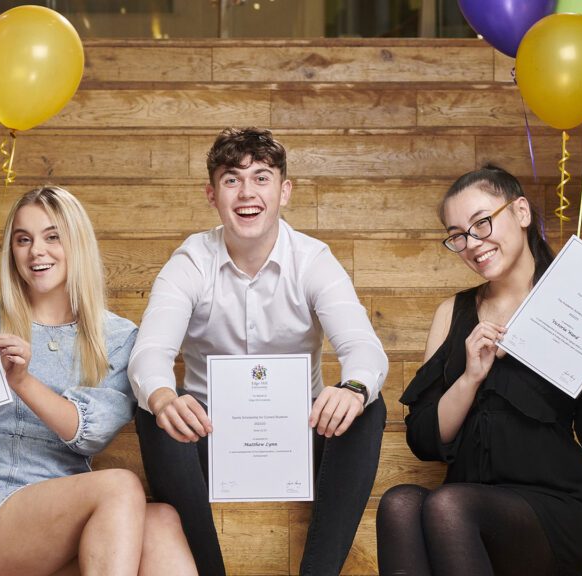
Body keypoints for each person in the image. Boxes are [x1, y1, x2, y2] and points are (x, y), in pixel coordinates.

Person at [0, 186, 197, 576]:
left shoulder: (116, 337)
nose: (36, 252)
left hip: (73, 519)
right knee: (121, 486)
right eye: (23, 239)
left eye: (52, 236)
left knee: (162, 519)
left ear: (76, 243)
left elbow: (90, 435)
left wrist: (23, 381)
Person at [375, 165, 582, 576]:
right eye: (458, 235)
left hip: (554, 511)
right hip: (466, 508)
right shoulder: (451, 313)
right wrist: (471, 376)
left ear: (521, 212)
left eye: (482, 223)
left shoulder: (575, 302)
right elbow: (425, 440)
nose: (473, 243)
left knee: (447, 504)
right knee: (400, 503)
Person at [128, 127, 389, 576]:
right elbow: (150, 352)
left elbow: (364, 345)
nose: (247, 192)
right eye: (232, 179)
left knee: (368, 404)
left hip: (300, 429)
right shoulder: (190, 261)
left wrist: (353, 387)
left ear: (284, 190)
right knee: (154, 412)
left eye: (262, 177)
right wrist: (163, 397)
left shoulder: (313, 259)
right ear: (212, 194)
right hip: (208, 431)